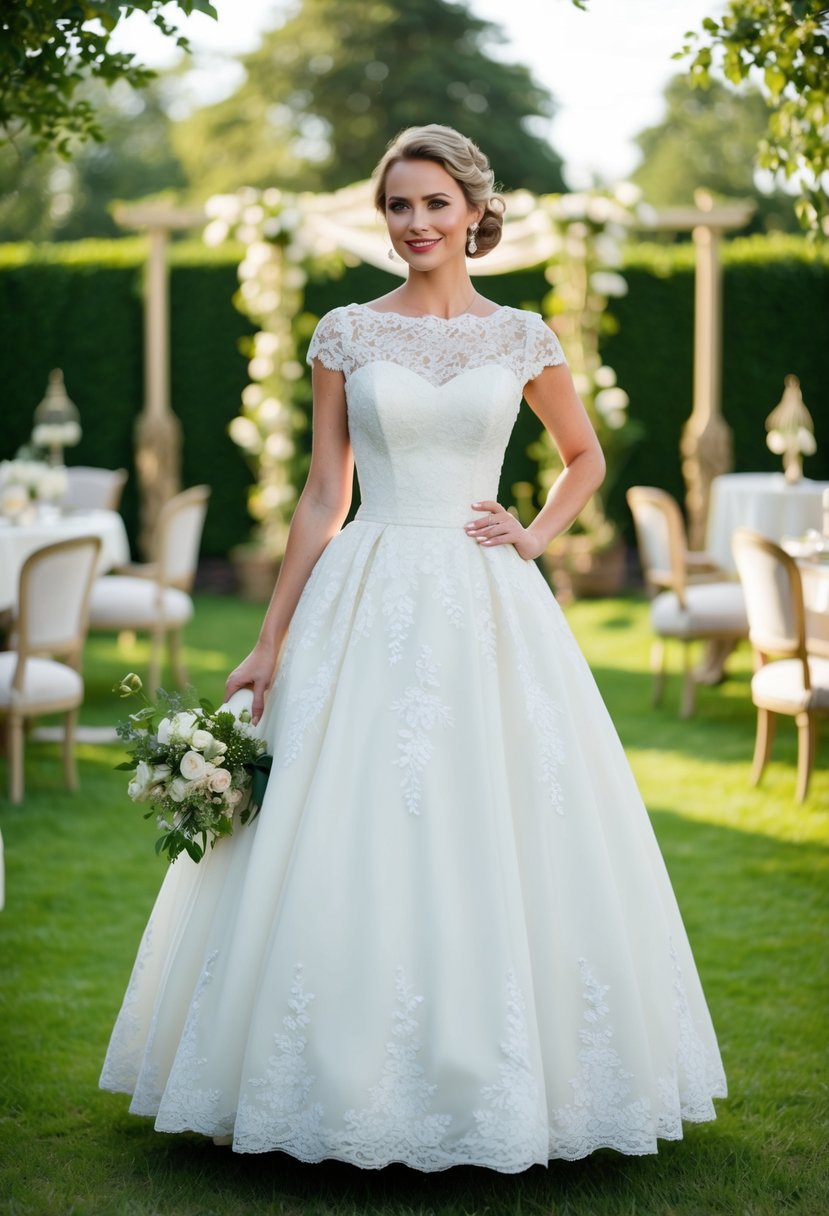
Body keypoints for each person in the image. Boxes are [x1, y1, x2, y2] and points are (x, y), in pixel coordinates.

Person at [100, 124, 726, 1171]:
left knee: (504, 814)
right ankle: (317, 1078)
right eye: (399, 205)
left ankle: (512, 1083)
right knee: (344, 818)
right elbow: (321, 493)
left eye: (435, 203)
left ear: (473, 211)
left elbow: (584, 455)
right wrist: (270, 638)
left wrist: (531, 535)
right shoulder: (346, 331)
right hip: (368, 585)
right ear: (383, 215)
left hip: (484, 597)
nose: (417, 223)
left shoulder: (522, 333)